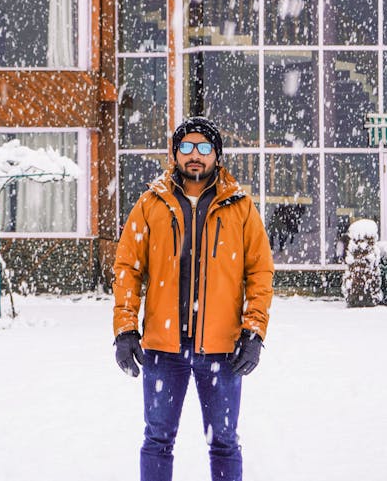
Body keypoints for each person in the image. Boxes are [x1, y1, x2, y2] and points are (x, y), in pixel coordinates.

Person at [113, 116, 274, 481]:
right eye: (186, 147)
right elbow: (128, 268)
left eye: (204, 147)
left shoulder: (241, 207)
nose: (195, 156)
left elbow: (260, 273)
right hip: (162, 348)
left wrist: (254, 332)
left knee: (224, 442)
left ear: (217, 155)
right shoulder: (151, 203)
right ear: (175, 154)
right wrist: (125, 329)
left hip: (222, 348)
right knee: (157, 440)